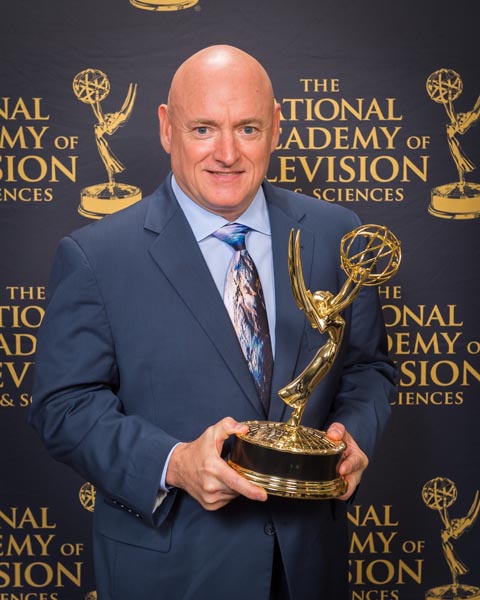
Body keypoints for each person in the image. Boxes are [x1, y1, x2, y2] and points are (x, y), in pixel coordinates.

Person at [29, 45, 395, 600]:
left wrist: (353, 438)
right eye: (203, 129)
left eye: (247, 128)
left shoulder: (336, 234)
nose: (227, 154)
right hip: (171, 575)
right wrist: (174, 463)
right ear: (166, 127)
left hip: (308, 568)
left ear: (275, 128)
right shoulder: (96, 257)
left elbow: (368, 368)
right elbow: (63, 406)